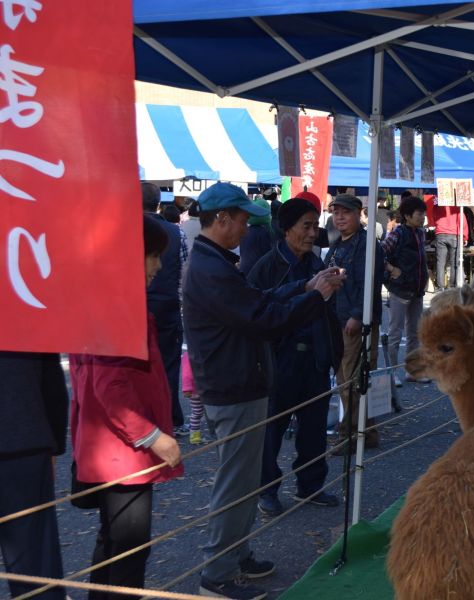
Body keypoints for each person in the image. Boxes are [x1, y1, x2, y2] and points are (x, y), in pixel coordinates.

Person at [183, 183, 344, 600]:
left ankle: (235, 555)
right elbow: (262, 317)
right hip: (233, 387)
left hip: (240, 383)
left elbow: (257, 299)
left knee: (243, 482)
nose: (246, 228)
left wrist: (305, 288)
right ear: (220, 219)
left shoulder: (216, 262)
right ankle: (216, 576)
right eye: (241, 219)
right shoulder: (211, 268)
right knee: (236, 484)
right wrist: (316, 295)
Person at [69, 215, 185, 600]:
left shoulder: (100, 298)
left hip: (110, 449)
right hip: (123, 453)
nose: (158, 266)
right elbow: (111, 388)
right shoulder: (117, 306)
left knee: (114, 543)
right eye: (152, 256)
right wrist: (154, 437)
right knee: (129, 550)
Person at [248, 196, 343, 516]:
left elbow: (327, 311)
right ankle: (267, 490)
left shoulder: (317, 263)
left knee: (314, 427)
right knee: (272, 427)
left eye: (315, 226)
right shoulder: (267, 267)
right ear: (286, 229)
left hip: (314, 357)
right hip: (280, 358)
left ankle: (311, 485)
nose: (313, 233)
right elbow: (260, 312)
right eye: (306, 226)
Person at [0, 352, 68, 600]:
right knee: (35, 561)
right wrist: (54, 442)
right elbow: (52, 383)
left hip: (26, 439)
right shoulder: (24, 314)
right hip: (24, 434)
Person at [324, 194, 384, 449]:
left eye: (345, 212)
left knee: (350, 381)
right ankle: (366, 431)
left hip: (355, 320)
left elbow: (368, 283)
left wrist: (358, 316)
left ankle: (350, 435)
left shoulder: (367, 244)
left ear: (359, 213)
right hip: (338, 318)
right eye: (336, 213)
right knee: (347, 379)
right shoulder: (339, 243)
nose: (339, 217)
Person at [143, 182, 188, 437]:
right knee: (168, 362)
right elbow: (183, 266)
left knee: (135, 362)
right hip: (167, 302)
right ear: (158, 203)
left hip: (132, 303)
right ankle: (168, 418)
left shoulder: (122, 225)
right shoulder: (174, 231)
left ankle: (142, 417)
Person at [381, 195, 429, 387]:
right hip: (399, 291)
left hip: (416, 291)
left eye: (424, 213)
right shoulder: (397, 234)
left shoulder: (421, 233)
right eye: (419, 214)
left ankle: (413, 372)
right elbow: (379, 254)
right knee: (395, 333)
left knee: (414, 333)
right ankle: (392, 373)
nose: (423, 217)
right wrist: (392, 270)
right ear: (407, 216)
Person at [426, 195, 468, 290]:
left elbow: (434, 218)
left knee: (440, 262)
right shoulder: (457, 206)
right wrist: (465, 236)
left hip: (440, 234)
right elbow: (462, 221)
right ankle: (452, 286)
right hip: (455, 235)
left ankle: (440, 286)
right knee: (454, 262)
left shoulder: (437, 205)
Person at [239, 199, 275, 276]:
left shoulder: (245, 231)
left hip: (244, 270)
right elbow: (268, 255)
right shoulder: (263, 232)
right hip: (257, 273)